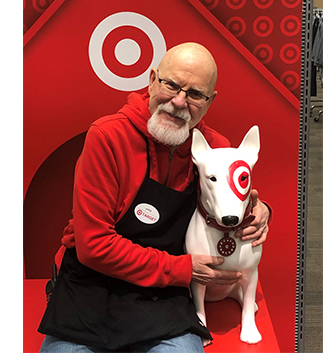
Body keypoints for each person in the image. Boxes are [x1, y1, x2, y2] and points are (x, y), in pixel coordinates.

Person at [37, 42, 272, 353]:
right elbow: (93, 246)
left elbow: (226, 203)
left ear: (209, 101)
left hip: (164, 294)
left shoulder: (214, 147)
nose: (178, 101)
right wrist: (183, 270)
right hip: (91, 284)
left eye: (195, 94)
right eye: (171, 85)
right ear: (151, 80)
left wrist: (260, 210)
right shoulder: (108, 137)